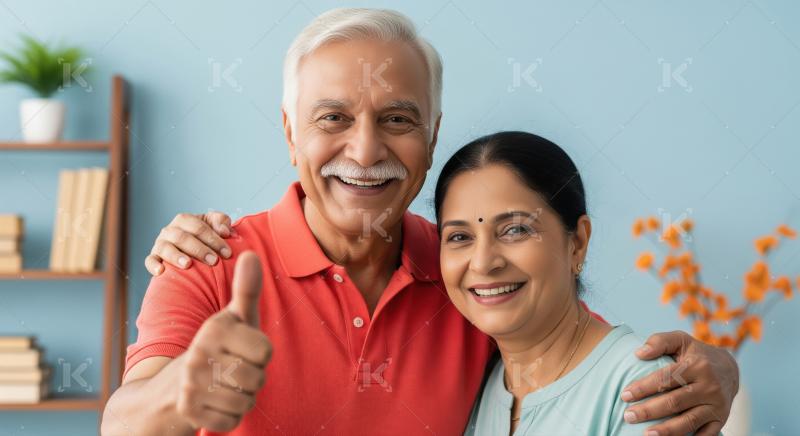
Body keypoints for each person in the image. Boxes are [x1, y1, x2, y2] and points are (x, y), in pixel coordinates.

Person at [102, 8, 738, 436]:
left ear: (431, 139)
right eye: (333, 119)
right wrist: (181, 392)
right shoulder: (210, 262)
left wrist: (720, 370)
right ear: (291, 132)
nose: (366, 150)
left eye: (398, 120)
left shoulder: (467, 271)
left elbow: (581, 358)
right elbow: (122, 419)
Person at [435, 131, 676, 435]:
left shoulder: (646, 388)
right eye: (460, 237)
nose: (483, 262)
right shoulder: (481, 390)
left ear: (577, 242)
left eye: (515, 230)